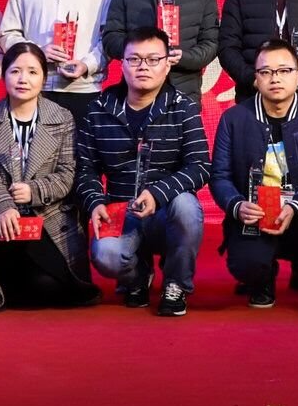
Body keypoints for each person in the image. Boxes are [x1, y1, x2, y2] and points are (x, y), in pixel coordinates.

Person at [77, 27, 210, 316]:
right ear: (122, 64)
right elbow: (85, 168)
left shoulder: (183, 107)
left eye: (152, 59)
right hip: (120, 209)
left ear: (167, 64)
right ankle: (137, 277)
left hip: (166, 210)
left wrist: (158, 193)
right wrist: (95, 202)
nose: (143, 67)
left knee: (187, 207)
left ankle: (175, 284)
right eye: (134, 59)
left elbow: (200, 165)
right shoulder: (99, 108)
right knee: (106, 257)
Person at [209, 39, 298, 318]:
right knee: (246, 265)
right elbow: (219, 176)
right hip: (255, 214)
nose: (275, 79)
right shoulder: (233, 118)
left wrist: (297, 204)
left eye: (284, 71)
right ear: (256, 78)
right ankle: (262, 278)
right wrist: (237, 205)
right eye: (266, 72)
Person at [0, 42, 100, 313]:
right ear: (3, 75)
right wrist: (4, 207)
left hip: (48, 215)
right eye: (15, 71)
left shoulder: (62, 117)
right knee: (13, 278)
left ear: (43, 77)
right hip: (3, 220)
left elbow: (67, 174)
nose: (23, 79)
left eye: (32, 72)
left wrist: (34, 191)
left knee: (45, 287)